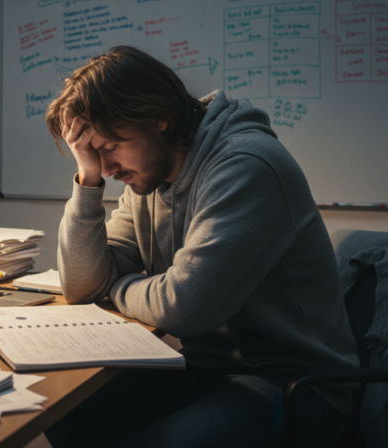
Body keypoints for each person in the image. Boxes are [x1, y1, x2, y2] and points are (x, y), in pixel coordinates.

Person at [42, 46, 360, 448]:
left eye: (107, 148)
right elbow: (83, 286)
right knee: (61, 410)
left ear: (158, 118)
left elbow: (183, 306)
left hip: (295, 386)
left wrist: (120, 286)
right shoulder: (147, 178)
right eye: (92, 155)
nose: (107, 169)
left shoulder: (247, 165)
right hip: (207, 371)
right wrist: (87, 181)